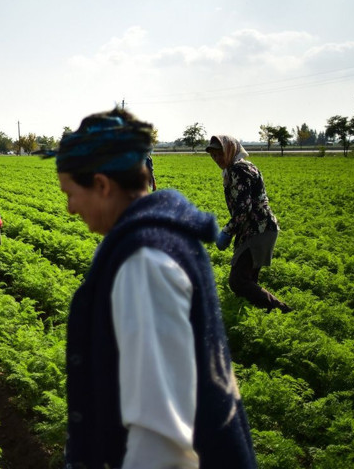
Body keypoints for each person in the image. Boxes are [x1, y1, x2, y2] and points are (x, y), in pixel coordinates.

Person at [54, 108, 256, 468]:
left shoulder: (144, 264)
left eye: (70, 193)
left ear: (102, 185)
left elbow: (162, 443)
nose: (69, 209)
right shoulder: (165, 238)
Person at [206, 135, 291, 313]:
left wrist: (227, 232)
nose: (216, 159)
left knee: (238, 281)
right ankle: (258, 315)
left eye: (219, 154)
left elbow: (244, 208)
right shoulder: (240, 167)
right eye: (213, 155)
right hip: (257, 229)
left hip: (258, 229)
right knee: (248, 279)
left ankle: (281, 310)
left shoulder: (239, 169)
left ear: (230, 150)